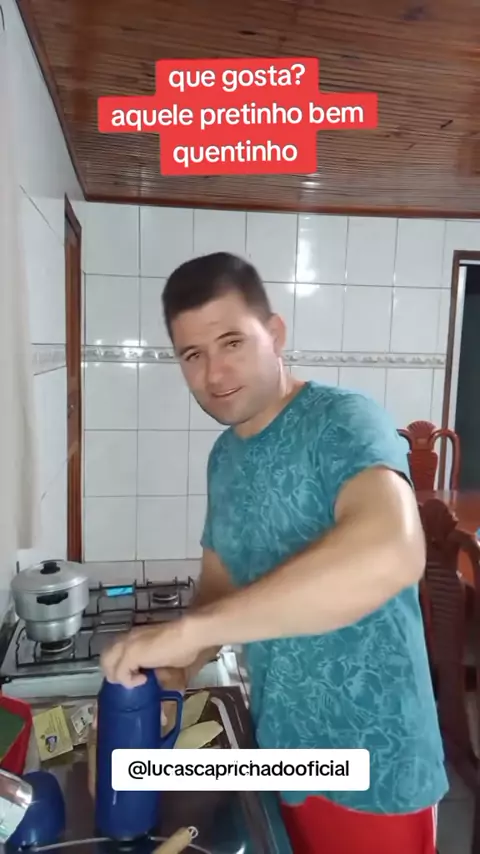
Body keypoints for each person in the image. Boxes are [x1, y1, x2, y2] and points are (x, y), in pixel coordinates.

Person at [101, 252, 448, 854]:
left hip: (375, 765)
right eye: (192, 354)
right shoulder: (224, 457)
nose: (214, 372)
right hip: (285, 753)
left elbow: (391, 552)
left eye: (231, 342)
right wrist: (179, 667)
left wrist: (191, 632)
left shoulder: (344, 421)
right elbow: (220, 585)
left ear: (275, 334)